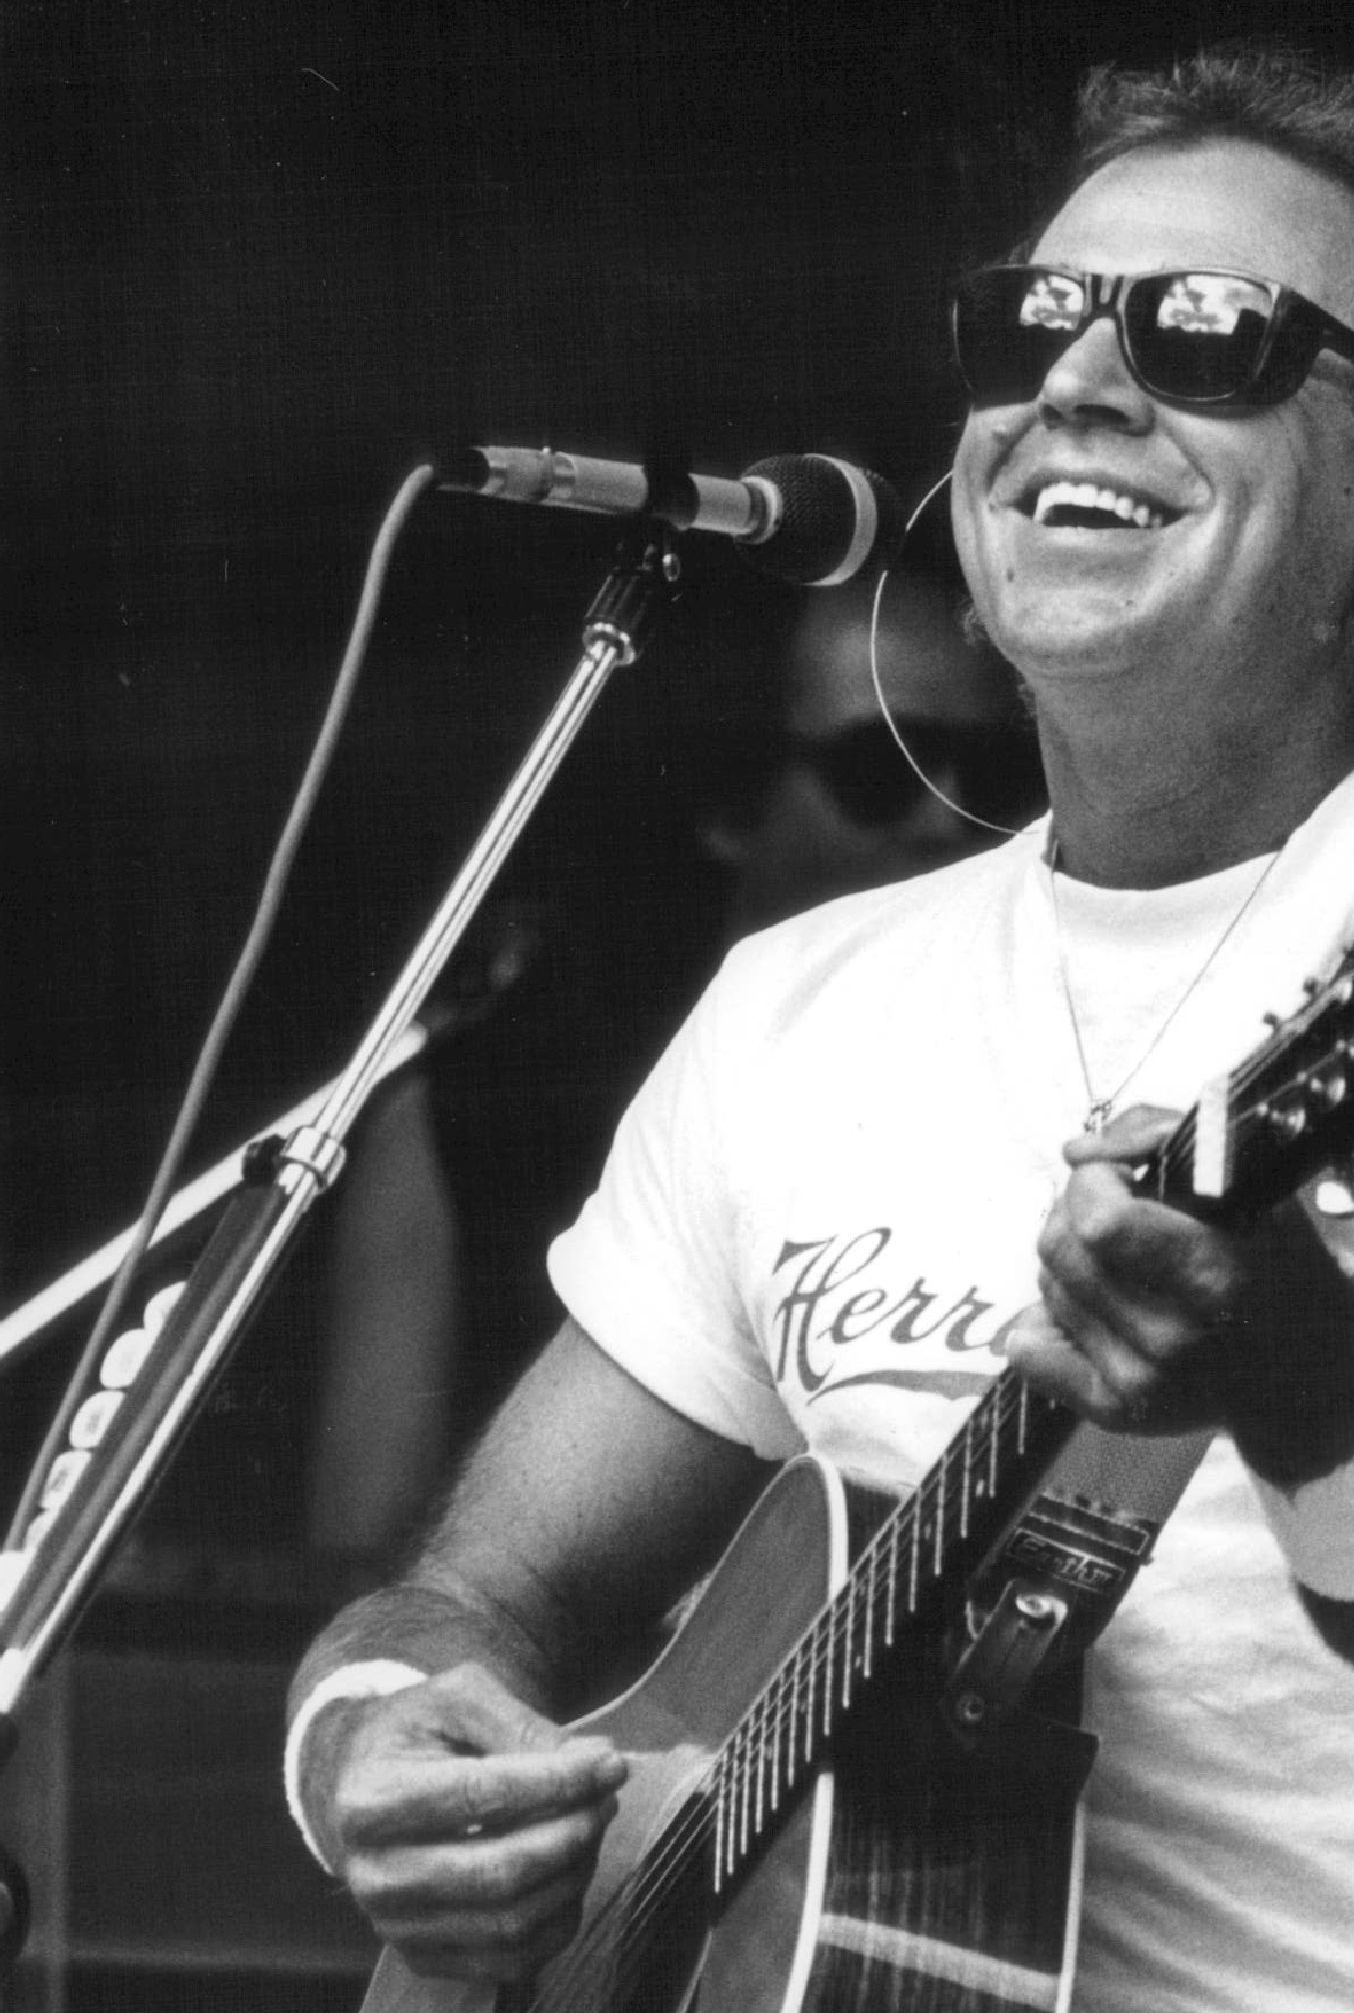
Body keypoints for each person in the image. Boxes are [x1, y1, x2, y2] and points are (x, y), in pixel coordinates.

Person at [284, 40, 1354, 2013]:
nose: (1075, 379)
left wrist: (1296, 1352)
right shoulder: (798, 1007)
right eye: (1029, 324)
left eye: (1207, 335)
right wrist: (377, 1758)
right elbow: (478, 1588)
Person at [298, 564, 1030, 1561]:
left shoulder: (1045, 1078)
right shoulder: (485, 1099)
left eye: (991, 777)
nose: (944, 819)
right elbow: (360, 1551)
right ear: (733, 800)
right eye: (881, 771)